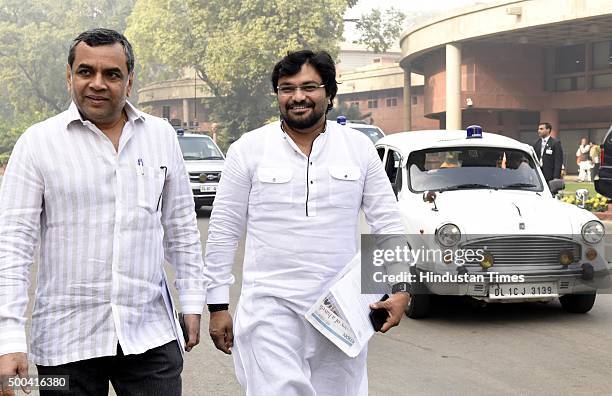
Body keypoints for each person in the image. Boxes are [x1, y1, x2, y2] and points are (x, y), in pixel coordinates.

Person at [0, 29, 206, 395]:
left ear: (129, 83)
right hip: (64, 341)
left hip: (149, 335)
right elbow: (12, 246)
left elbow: (181, 226)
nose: (97, 84)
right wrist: (9, 337)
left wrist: (191, 299)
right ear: (69, 76)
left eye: (112, 74)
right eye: (85, 72)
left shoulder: (160, 136)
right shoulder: (37, 143)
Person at [204, 50, 410, 395]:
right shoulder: (249, 149)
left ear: (329, 93)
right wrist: (217, 305)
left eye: (309, 87)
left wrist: (402, 288)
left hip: (340, 312)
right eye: (287, 88)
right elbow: (224, 229)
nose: (298, 97)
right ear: (278, 95)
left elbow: (387, 223)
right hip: (270, 310)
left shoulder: (358, 149)